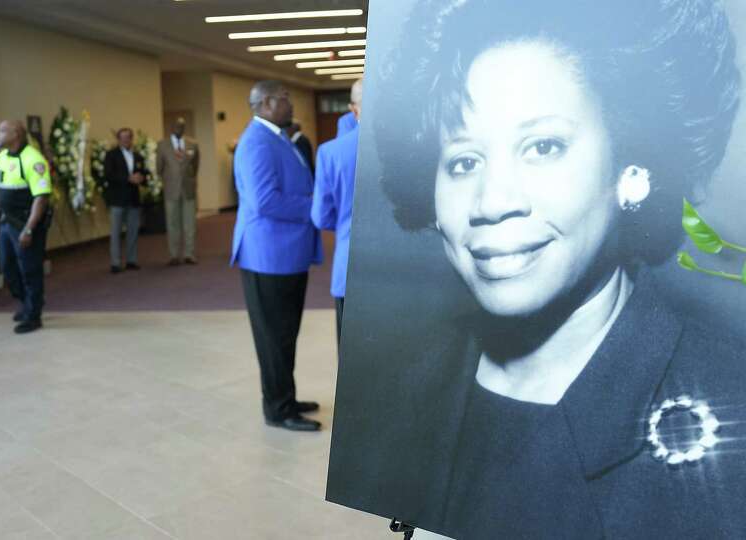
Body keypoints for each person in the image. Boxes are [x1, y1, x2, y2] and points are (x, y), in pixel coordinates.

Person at [330, 1, 746, 538]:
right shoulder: (397, 386)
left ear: (629, 167)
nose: (491, 201)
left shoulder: (728, 416)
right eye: (463, 161)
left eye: (543, 146)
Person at [232, 80, 323, 432]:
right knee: (274, 337)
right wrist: (315, 207)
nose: (291, 103)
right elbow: (265, 201)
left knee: (284, 334)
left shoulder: (276, 137)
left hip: (284, 253)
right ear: (266, 103)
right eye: (285, 98)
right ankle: (278, 409)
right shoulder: (257, 142)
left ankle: (285, 395)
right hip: (269, 255)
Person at [311, 78, 362, 345]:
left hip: (349, 268)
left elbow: (320, 216)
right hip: (403, 272)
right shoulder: (412, 148)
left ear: (354, 110)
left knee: (351, 359)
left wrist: (345, 223)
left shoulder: (330, 153)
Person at [0, 120, 51, 334]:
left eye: (2, 130)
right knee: (7, 267)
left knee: (30, 269)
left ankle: (33, 315)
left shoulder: (33, 159)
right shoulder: (1, 157)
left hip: (25, 223)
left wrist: (29, 228)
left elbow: (41, 198)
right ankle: (27, 303)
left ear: (16, 134)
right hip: (6, 222)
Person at [100, 127, 146, 273]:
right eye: (123, 137)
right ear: (118, 140)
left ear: (132, 139)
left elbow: (144, 172)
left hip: (133, 199)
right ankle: (115, 262)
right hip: (117, 199)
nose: (126, 140)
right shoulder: (111, 155)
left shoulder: (138, 156)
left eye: (128, 137)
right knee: (116, 232)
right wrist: (128, 178)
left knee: (133, 231)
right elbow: (108, 174)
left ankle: (131, 260)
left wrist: (142, 178)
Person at [156, 118, 199, 266]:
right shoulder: (162, 145)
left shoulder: (193, 144)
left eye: (181, 125)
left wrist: (189, 179)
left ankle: (189, 254)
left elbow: (195, 166)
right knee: (172, 223)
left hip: (188, 188)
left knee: (189, 223)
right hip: (171, 189)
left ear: (185, 127)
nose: (179, 128)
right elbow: (159, 168)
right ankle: (173, 255)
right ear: (171, 127)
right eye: (176, 125)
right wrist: (169, 180)